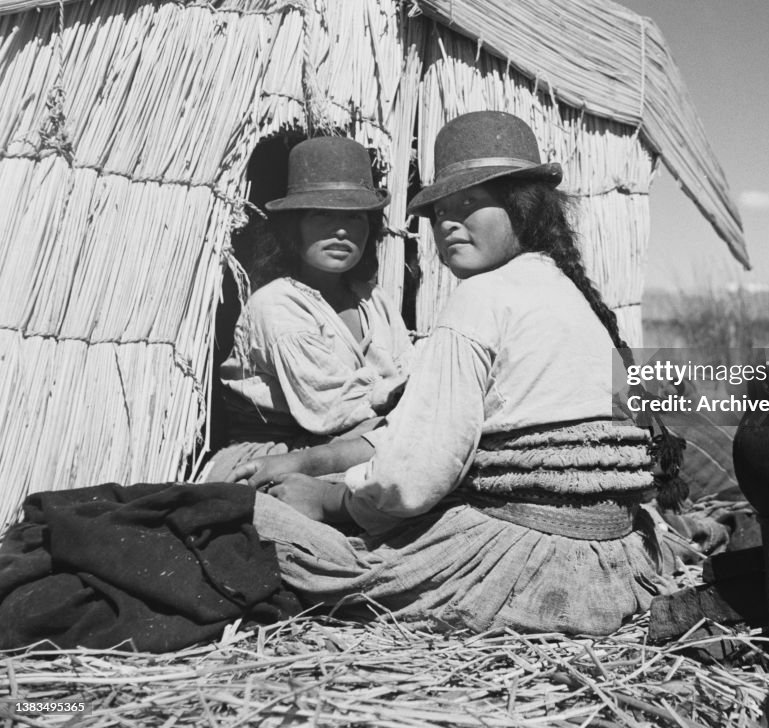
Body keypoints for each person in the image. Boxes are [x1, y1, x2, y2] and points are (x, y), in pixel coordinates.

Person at [246, 111, 671, 634]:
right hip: (612, 559)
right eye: (441, 210)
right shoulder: (566, 289)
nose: (448, 222)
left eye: (470, 203)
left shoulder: (479, 299)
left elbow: (412, 479)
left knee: (274, 535)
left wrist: (328, 497)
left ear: (523, 205)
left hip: (532, 565)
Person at [202, 136, 413, 484]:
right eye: (322, 214)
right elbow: (331, 408)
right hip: (277, 457)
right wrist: (400, 398)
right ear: (292, 227)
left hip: (349, 443)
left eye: (355, 217)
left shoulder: (373, 298)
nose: (342, 230)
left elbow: (408, 371)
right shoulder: (277, 304)